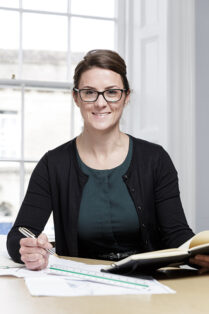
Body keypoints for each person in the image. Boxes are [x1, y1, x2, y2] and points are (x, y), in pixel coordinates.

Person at [7, 49, 209, 273]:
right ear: (76, 97)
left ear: (126, 96)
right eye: (89, 92)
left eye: (111, 92)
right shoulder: (52, 164)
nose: (100, 103)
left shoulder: (155, 159)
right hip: (79, 288)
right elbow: (19, 234)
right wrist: (27, 250)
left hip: (150, 287)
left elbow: (176, 234)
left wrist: (197, 253)